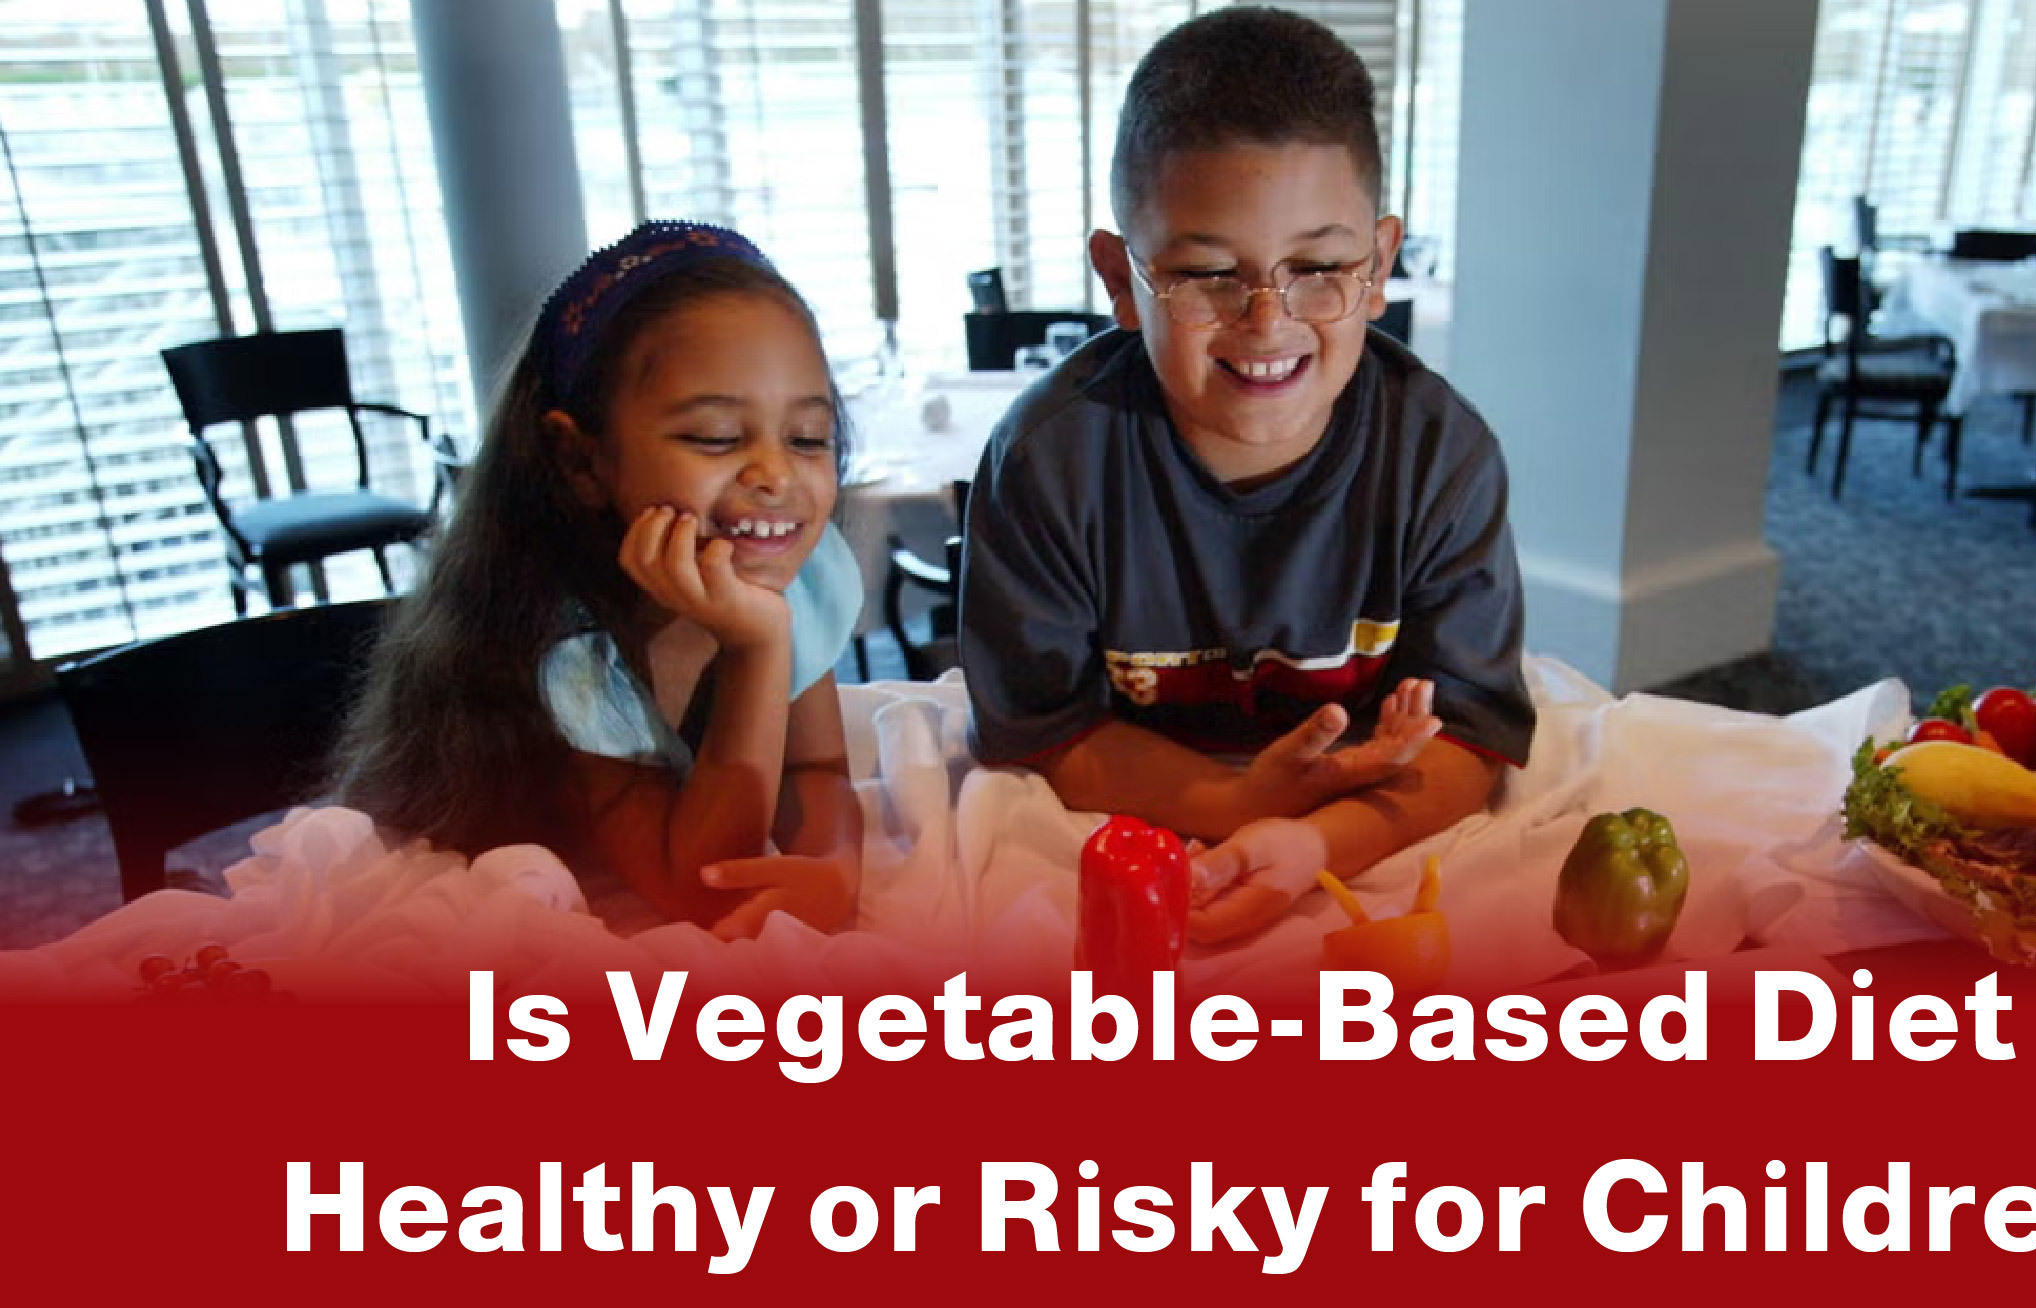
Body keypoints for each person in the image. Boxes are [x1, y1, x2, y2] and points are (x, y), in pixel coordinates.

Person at [958, 7, 1534, 945]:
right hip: (1122, 849)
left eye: (1318, 266)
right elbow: (1043, 730)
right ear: (1119, 274)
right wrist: (1231, 800)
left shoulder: (1441, 456)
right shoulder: (1051, 460)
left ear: (1381, 261)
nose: (1269, 321)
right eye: (1210, 274)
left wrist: (1311, 843)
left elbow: (1472, 734)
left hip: (1356, 852)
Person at [335, 221, 864, 939]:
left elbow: (819, 771)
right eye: (715, 437)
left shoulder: (806, 575)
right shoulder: (567, 641)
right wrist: (757, 646)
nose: (775, 476)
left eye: (808, 438)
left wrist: (834, 865)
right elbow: (705, 888)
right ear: (582, 461)